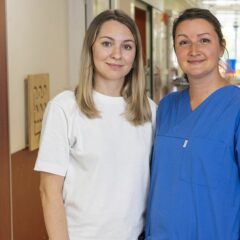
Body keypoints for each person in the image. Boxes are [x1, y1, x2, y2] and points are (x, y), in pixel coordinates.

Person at [145, 8, 240, 240]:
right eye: (183, 42)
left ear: (220, 46)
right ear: (175, 51)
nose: (194, 50)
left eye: (204, 40)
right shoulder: (167, 107)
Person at [34, 10, 156, 239]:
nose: (117, 54)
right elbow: (49, 191)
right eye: (107, 43)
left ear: (136, 56)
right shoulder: (65, 108)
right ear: (91, 48)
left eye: (127, 46)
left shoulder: (150, 112)